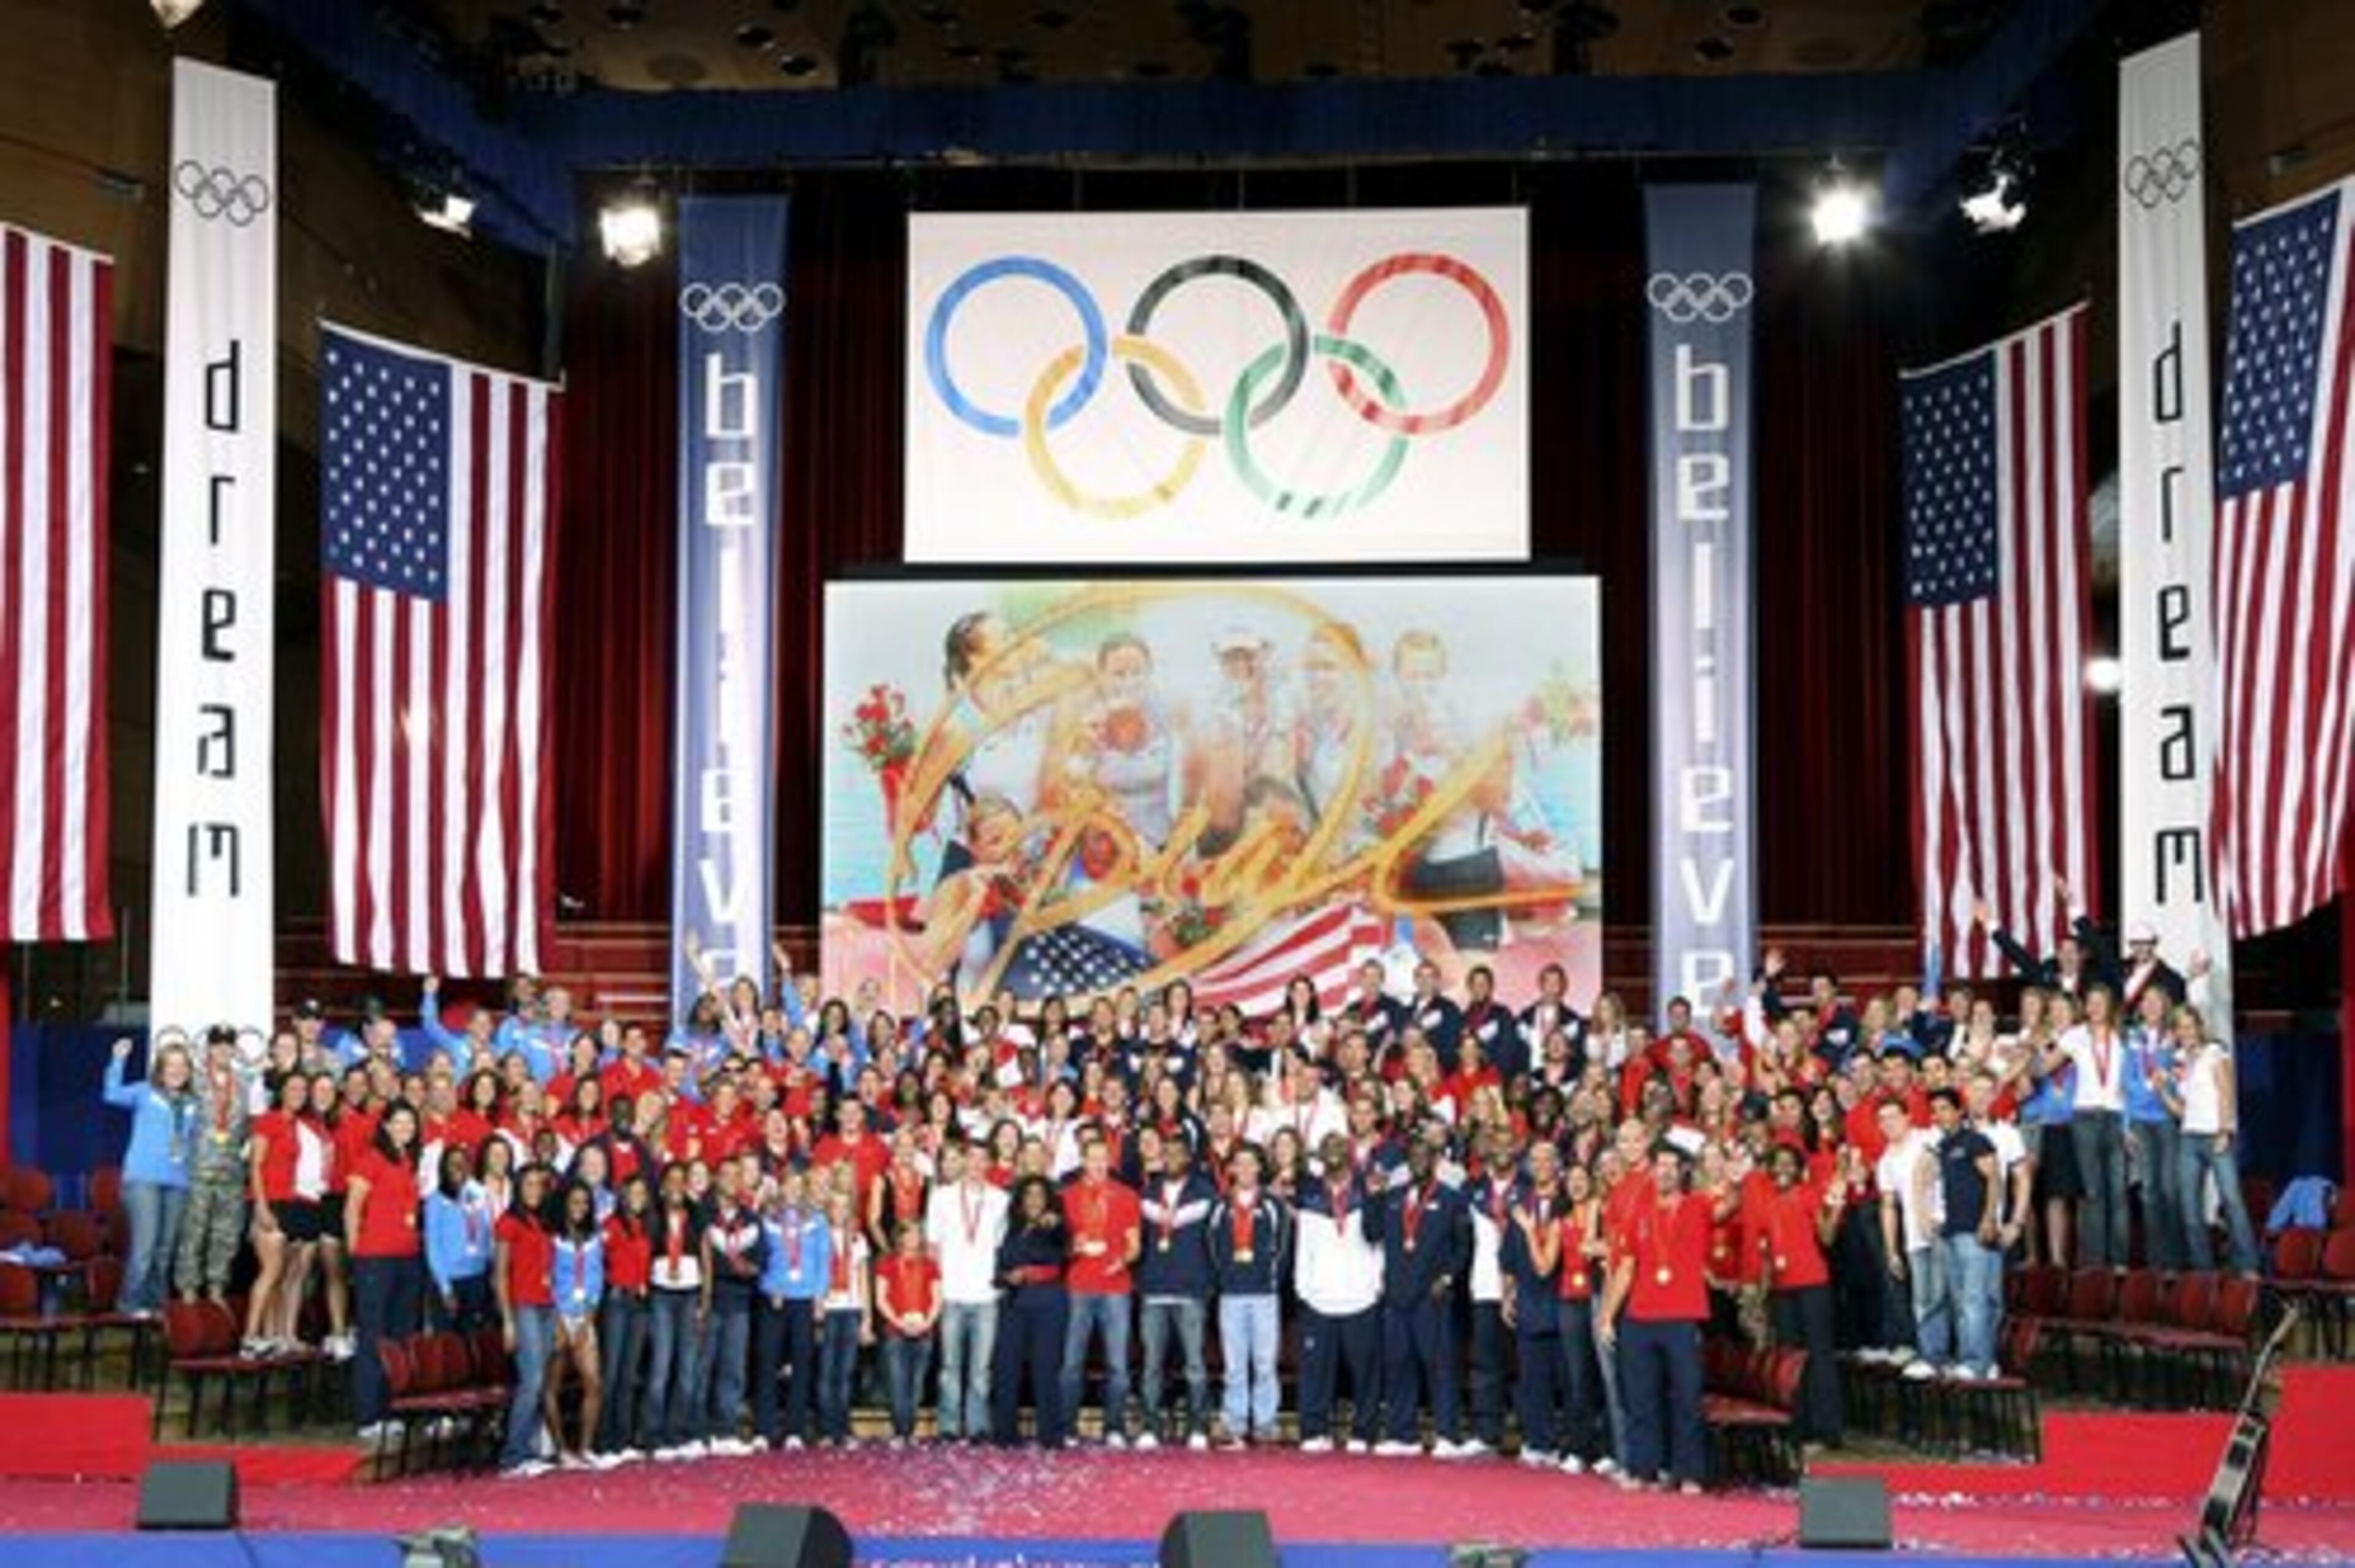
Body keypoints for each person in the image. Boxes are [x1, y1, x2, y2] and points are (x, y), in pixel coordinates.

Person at [1600, 1145, 1714, 1493]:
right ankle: (1643, 1469)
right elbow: (1626, 1266)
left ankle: (1689, 1473)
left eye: (1671, 1166)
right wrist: (1607, 1314)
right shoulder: (1640, 1213)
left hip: (1682, 1316)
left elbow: (1730, 1201)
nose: (1664, 1172)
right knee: (1641, 1397)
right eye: (1659, 1165)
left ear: (1682, 1172)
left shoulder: (1698, 1205)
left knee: (1687, 1396)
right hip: (1640, 1315)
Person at [1369, 1131, 1471, 1458]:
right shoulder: (1394, 1195)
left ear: (1437, 1161)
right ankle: (1403, 1434)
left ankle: (1446, 1434)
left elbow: (1464, 1245)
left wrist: (1449, 1276)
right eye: (1413, 1157)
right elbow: (1372, 1233)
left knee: (1439, 1365)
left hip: (1432, 1295)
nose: (1418, 1161)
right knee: (1398, 1363)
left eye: (1425, 1156)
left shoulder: (1452, 1197)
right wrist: (1372, 1197)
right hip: (1398, 1294)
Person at [1293, 1131, 1384, 1453]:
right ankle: (1314, 1430)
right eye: (1327, 1147)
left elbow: (1378, 1241)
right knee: (1316, 1371)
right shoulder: (1310, 1195)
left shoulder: (1368, 1191)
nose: (1333, 1153)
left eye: (1339, 1148)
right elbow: (1303, 1246)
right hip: (1319, 1298)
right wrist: (1303, 1287)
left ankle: (1364, 1432)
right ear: (1320, 1155)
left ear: (1350, 1154)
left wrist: (1375, 1286)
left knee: (1365, 1373)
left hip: (1361, 1297)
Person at [345, 1100, 424, 1445]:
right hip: (376, 1258)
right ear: (387, 1125)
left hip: (407, 1257)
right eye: (400, 1121)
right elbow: (353, 1207)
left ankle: (390, 1410)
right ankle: (367, 1415)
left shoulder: (408, 1161)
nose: (406, 1127)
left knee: (399, 1336)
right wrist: (356, 1252)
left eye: (411, 1122)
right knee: (373, 1336)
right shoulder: (371, 1158)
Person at [102, 1035, 197, 1317]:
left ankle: (156, 1306)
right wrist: (118, 1060)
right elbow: (111, 1093)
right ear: (160, 1069)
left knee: (165, 1251)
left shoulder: (194, 1103)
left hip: (177, 1182)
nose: (176, 1071)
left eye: (182, 1066)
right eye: (171, 1065)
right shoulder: (145, 1092)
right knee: (144, 1249)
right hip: (143, 1180)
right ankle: (128, 1305)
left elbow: (192, 1142)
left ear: (189, 1071)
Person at [1756, 1142, 1844, 1447]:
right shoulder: (1766, 1202)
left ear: (1799, 1169)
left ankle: (1828, 1429)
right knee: (1791, 1360)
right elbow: (1766, 1251)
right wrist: (1763, 1294)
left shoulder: (1809, 1194)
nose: (1782, 1169)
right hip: (1782, 1289)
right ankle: (1798, 1426)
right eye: (1777, 1163)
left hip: (1812, 1284)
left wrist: (1835, 1210)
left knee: (1818, 1355)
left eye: (1788, 1164)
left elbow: (1828, 1237)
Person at [1059, 1130, 1141, 1445]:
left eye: (1102, 1160)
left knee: (1118, 1364)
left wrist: (1122, 1261)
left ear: (1110, 1162)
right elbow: (1061, 1248)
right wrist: (1074, 1248)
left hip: (1116, 1286)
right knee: (1072, 1363)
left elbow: (1135, 1247)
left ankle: (1114, 1428)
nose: (1097, 1165)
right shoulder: (1067, 1196)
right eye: (1091, 1160)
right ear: (1082, 1162)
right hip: (1078, 1285)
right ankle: (1068, 1428)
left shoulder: (1127, 1196)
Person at [1135, 1133, 1217, 1450]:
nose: (1170, 1158)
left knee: (1195, 1365)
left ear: (1188, 1158)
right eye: (1166, 1153)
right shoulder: (1148, 1193)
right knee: (1152, 1366)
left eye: (1177, 1153)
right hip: (1154, 1289)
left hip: (1191, 1289)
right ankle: (1150, 1428)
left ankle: (1198, 1427)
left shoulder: (1205, 1193)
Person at [2165, 1005, 2261, 1274]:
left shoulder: (2215, 1052)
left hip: (2215, 1134)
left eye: (2189, 1025)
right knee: (2190, 1205)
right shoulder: (2179, 1059)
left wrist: (2225, 1130)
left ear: (2198, 1026)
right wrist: (2163, 1092)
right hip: (2189, 1137)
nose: (2186, 1032)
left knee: (2231, 1199)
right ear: (2175, 1032)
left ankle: (2248, 1266)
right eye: (2180, 1027)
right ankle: (2203, 1271)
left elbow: (2227, 1092)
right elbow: (2182, 1110)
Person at [924, 1141, 1006, 1444]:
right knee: (949, 1366)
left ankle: (977, 1427)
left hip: (986, 1295)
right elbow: (932, 1248)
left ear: (990, 1165)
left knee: (981, 1368)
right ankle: (948, 1426)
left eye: (982, 1159)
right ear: (963, 1162)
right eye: (971, 1158)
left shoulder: (1001, 1200)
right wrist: (937, 1289)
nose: (975, 1164)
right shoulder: (942, 1198)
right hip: (951, 1293)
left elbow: (1001, 1249)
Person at [1208, 1142, 1287, 1449]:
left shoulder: (1273, 1205)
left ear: (1258, 1168)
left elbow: (1283, 1249)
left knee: (1266, 1362)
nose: (1244, 1169)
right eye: (1238, 1164)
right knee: (1234, 1364)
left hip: (1265, 1294)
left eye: (1250, 1164)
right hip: (1231, 1295)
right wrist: (1224, 1278)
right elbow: (1211, 1247)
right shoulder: (1219, 1206)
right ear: (1231, 1169)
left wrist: (1270, 1280)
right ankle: (1235, 1422)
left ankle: (1266, 1424)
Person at [244, 1069, 329, 1355]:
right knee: (272, 1272)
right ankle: (251, 1337)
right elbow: (256, 1165)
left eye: (303, 1090)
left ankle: (286, 1335)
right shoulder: (268, 1122)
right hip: (272, 1204)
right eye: (293, 1089)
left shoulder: (303, 1125)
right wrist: (260, 1204)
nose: (298, 1094)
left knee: (294, 1276)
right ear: (281, 1091)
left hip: (296, 1202)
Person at [2048, 985, 2130, 1267]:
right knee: (2092, 1193)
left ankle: (2119, 1262)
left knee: (2118, 1193)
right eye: (2090, 1002)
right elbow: (2045, 1066)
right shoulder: (2075, 1036)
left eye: (2100, 1002)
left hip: (2117, 1117)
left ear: (2110, 1006)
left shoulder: (2125, 1035)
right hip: (2085, 1118)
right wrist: (2026, 1056)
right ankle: (2095, 1264)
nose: (2095, 1007)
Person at [1498, 1139, 1565, 1468]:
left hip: (1563, 1299)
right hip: (1529, 1300)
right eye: (1535, 1160)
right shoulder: (1518, 1205)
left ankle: (1569, 1445)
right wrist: (1507, 1295)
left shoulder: (1568, 1202)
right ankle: (1538, 1441)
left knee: (1566, 1377)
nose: (1541, 1165)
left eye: (1547, 1159)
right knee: (1532, 1376)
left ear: (1557, 1164)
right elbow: (1508, 1258)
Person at [1927, 1089, 2002, 1380]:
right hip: (1952, 1230)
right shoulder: (1944, 1146)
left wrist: (1988, 1219)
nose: (1940, 1115)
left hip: (1974, 1229)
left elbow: (1994, 1178)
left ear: (1960, 1111)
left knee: (1975, 1300)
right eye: (1935, 1110)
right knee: (1961, 1302)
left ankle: (1978, 1363)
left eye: (1946, 1108)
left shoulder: (1976, 1141)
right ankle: (1970, 1359)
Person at [992, 1173, 1070, 1448]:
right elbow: (999, 1269)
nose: (1034, 1200)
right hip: (1014, 1302)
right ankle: (1004, 1434)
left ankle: (1050, 1435)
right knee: (1006, 1368)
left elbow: (1064, 1243)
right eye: (1029, 1195)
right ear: (1021, 1201)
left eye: (1040, 1195)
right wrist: (1007, 1277)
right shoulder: (1011, 1230)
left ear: (1048, 1200)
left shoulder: (1054, 1225)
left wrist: (1055, 1224)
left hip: (1049, 1301)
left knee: (1046, 1368)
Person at [178, 1027, 254, 1305]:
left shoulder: (244, 1082)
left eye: (228, 1046)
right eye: (218, 1046)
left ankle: (216, 1286)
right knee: (194, 1232)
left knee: (226, 1234)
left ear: (234, 1050)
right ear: (208, 1049)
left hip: (232, 1171)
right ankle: (188, 1288)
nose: (223, 1051)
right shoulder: (194, 1080)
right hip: (198, 1168)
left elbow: (248, 1125)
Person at [494, 1163, 559, 1477]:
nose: (534, 1190)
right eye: (528, 1184)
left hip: (547, 1305)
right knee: (530, 1380)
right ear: (519, 1187)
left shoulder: (546, 1222)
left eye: (539, 1185)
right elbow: (500, 1274)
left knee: (540, 1379)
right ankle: (512, 1455)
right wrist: (507, 1319)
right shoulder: (509, 1223)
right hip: (524, 1307)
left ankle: (531, 1450)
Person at [1876, 1097, 1948, 1383]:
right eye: (1883, 1120)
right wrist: (1892, 1249)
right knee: (1923, 1299)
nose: (1889, 1124)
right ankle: (1930, 1354)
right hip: (1914, 1236)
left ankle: (1942, 1355)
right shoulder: (1886, 1161)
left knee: (1945, 1295)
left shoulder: (1929, 1138)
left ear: (1908, 1117)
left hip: (1944, 1226)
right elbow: (1888, 1206)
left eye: (1894, 1117)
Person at [756, 1168, 827, 1452]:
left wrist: (820, 1296)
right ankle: (764, 1428)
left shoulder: (817, 1220)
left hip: (805, 1297)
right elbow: (760, 1257)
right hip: (776, 1296)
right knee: (768, 1363)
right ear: (781, 1187)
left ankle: (794, 1430)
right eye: (789, 1185)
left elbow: (823, 1261)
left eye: (800, 1185)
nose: (794, 1190)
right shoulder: (768, 1220)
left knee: (801, 1363)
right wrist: (770, 1285)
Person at [642, 1161, 709, 1461]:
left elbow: (706, 1256)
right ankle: (653, 1435)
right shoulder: (652, 1216)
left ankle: (678, 1432)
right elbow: (642, 1253)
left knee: (687, 1368)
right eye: (671, 1181)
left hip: (690, 1293)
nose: (677, 1187)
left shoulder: (696, 1214)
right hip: (661, 1295)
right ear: (663, 1186)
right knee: (660, 1366)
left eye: (682, 1181)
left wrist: (706, 1299)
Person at [700, 1162, 767, 1455]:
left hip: (739, 1302)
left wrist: (734, 1267)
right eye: (725, 1175)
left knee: (733, 1368)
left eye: (736, 1176)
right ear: (716, 1179)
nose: (730, 1181)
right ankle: (699, 1431)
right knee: (702, 1367)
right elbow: (707, 1259)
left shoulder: (751, 1219)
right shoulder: (703, 1214)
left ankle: (726, 1430)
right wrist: (734, 1267)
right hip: (709, 1300)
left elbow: (758, 1261)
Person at [547, 1179, 611, 1470]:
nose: (579, 1208)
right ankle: (561, 1450)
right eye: (574, 1202)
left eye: (584, 1203)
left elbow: (597, 1279)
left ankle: (585, 1449)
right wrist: (559, 1319)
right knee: (553, 1385)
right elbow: (546, 1278)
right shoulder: (552, 1238)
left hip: (584, 1315)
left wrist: (587, 1320)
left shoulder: (595, 1237)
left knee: (593, 1383)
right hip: (557, 1315)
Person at [2123, 985, 2184, 1271]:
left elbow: (2177, 1079)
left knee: (2170, 1189)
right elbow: (2124, 1083)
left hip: (2167, 1119)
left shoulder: (2174, 1038)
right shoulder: (2132, 1038)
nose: (2150, 1006)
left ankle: (2176, 1259)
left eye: (2156, 1001)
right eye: (2146, 1001)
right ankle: (2157, 1263)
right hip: (2139, 1121)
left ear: (2166, 1006)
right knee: (2149, 1191)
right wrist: (2125, 1125)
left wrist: (2160, 1087)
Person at [596, 1171, 654, 1461]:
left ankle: (623, 1438)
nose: (639, 1199)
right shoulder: (611, 1225)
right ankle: (604, 1440)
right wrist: (615, 1285)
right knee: (612, 1371)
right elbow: (598, 1261)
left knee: (629, 1373)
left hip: (640, 1303)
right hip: (618, 1300)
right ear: (623, 1196)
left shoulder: (643, 1227)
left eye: (643, 1194)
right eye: (634, 1193)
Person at [813, 1184, 871, 1448]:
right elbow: (815, 1273)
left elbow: (863, 1279)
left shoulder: (858, 1240)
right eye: (834, 1206)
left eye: (844, 1207)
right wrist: (817, 1304)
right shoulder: (818, 1236)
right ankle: (826, 1428)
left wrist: (867, 1317)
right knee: (826, 1371)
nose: (839, 1211)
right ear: (827, 1209)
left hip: (851, 1308)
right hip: (828, 1307)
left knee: (846, 1372)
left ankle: (842, 1427)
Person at [875, 1218, 943, 1446]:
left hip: (924, 1331)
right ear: (900, 1237)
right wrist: (899, 1322)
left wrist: (928, 1322)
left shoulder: (930, 1264)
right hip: (896, 1330)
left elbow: (937, 1298)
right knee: (897, 1383)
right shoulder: (887, 1263)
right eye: (910, 1234)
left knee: (916, 1385)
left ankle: (909, 1431)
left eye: (918, 1234)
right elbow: (881, 1299)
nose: (914, 1238)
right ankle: (900, 1431)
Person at [423, 1144, 495, 1331]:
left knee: (474, 1342)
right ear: (443, 1168)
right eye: (452, 1164)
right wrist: (445, 1288)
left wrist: (490, 1268)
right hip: (449, 1280)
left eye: (463, 1163)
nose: (458, 1168)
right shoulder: (435, 1201)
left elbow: (488, 1232)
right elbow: (434, 1247)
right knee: (449, 1344)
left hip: (477, 1277)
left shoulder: (479, 1195)